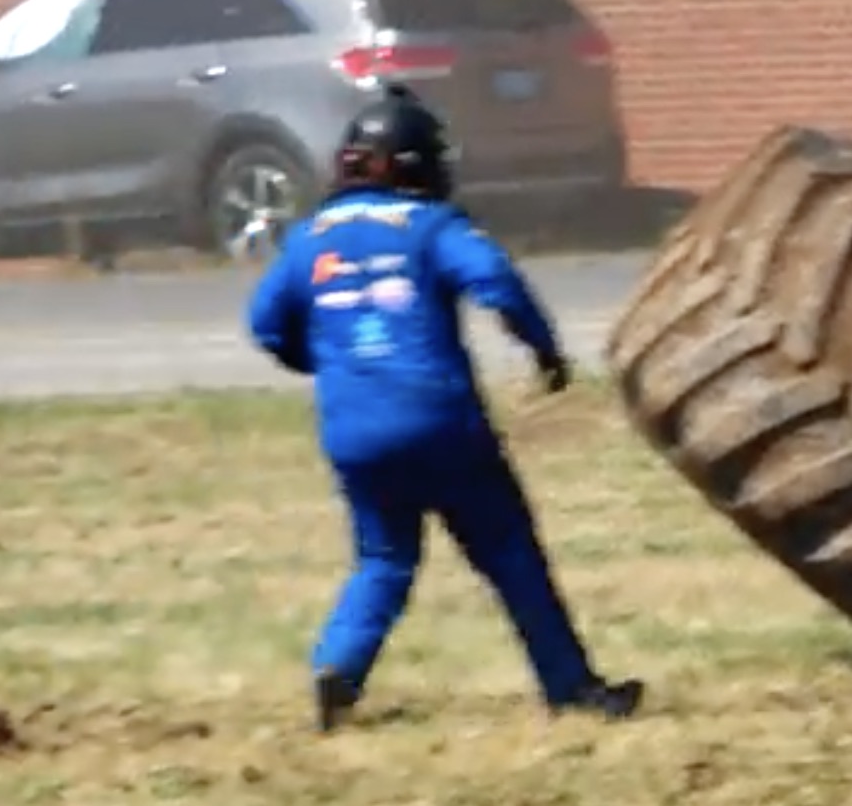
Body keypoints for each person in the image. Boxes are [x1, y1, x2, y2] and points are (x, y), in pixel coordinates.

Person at [245, 84, 643, 731]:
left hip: (353, 432)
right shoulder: (432, 226)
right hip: (441, 422)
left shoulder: (307, 238)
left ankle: (337, 667)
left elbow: (266, 324)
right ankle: (569, 687)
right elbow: (497, 283)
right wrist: (544, 351)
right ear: (411, 164)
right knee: (511, 553)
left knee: (383, 559)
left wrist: (329, 365)